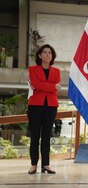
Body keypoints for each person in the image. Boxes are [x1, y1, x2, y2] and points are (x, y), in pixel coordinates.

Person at [27, 44, 61, 174]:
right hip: (35, 105)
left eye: (50, 53)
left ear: (52, 56)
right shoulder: (33, 69)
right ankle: (33, 165)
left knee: (46, 136)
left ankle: (46, 165)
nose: (47, 54)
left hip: (51, 106)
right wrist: (52, 87)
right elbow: (35, 84)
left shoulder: (57, 71)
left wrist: (44, 86)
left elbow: (47, 86)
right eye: (45, 52)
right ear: (40, 55)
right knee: (35, 136)